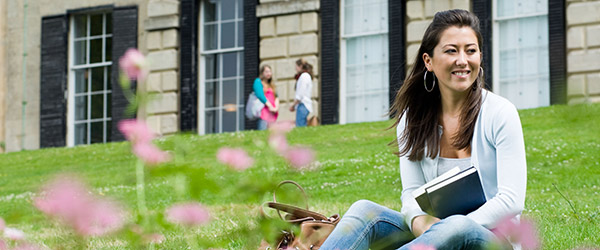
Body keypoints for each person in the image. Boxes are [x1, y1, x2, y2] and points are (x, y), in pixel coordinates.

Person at [320, 9, 526, 250]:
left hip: (492, 240)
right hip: (434, 236)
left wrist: (448, 227)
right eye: (451, 50)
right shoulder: (412, 119)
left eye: (470, 51)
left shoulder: (500, 113)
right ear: (428, 61)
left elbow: (510, 201)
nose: (462, 60)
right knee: (364, 211)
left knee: (457, 226)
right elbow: (411, 193)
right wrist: (419, 220)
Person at [253, 65, 279, 130]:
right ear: (262, 73)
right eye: (266, 72)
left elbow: (276, 97)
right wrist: (269, 106)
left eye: (270, 71)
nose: (268, 73)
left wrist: (276, 108)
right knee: (263, 132)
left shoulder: (271, 85)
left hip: (272, 113)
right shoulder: (258, 81)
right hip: (263, 113)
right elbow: (260, 95)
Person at [289, 59, 313, 127]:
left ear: (300, 66)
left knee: (300, 126)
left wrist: (293, 105)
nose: (295, 69)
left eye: (296, 66)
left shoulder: (304, 76)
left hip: (303, 105)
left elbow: (300, 94)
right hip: (303, 105)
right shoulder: (305, 76)